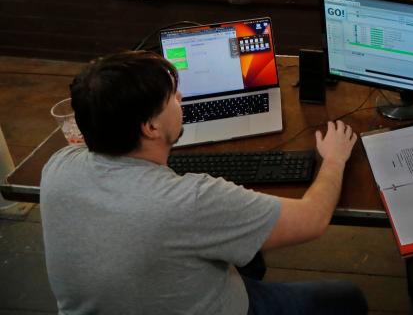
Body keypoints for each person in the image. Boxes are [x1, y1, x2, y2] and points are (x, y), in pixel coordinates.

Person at [40, 50, 368, 315]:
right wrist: (335, 158)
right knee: (346, 298)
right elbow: (313, 219)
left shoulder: (58, 167)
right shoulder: (192, 201)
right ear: (150, 128)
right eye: (171, 96)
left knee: (247, 253)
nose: (181, 96)